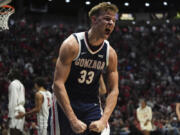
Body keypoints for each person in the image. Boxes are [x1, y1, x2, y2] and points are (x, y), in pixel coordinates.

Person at [52, 2, 119, 135]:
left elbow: (114, 90)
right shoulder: (72, 45)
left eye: (113, 20)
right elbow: (57, 83)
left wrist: (103, 120)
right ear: (94, 19)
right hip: (66, 102)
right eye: (107, 18)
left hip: (91, 104)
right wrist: (73, 119)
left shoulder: (110, 53)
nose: (111, 23)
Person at [8, 68, 25, 135]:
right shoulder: (21, 84)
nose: (9, 74)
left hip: (16, 110)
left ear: (13, 75)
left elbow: (13, 101)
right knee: (18, 132)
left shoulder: (13, 84)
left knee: (14, 132)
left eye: (10, 72)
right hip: (21, 109)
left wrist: (10, 116)